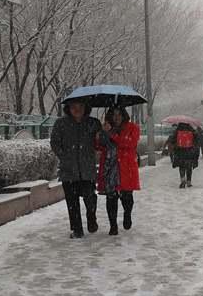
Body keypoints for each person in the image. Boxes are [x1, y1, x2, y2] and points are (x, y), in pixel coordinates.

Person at [50, 99, 101, 238]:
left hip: (87, 169)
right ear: (68, 108)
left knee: (90, 197)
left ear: (86, 107)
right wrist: (64, 156)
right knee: (72, 201)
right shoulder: (61, 124)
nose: (77, 110)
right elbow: (54, 142)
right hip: (68, 170)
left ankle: (91, 218)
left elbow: (100, 143)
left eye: (80, 106)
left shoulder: (93, 123)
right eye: (73, 107)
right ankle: (77, 229)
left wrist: (100, 136)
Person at [95, 106, 141, 235]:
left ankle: (127, 214)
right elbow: (99, 146)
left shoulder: (133, 128)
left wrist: (112, 134)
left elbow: (130, 143)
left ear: (124, 115)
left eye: (119, 114)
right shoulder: (106, 128)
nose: (116, 117)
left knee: (127, 196)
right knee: (111, 197)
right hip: (110, 166)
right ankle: (113, 225)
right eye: (114, 115)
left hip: (126, 167)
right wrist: (99, 137)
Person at [166, 122, 200, 188]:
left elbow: (172, 140)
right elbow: (197, 140)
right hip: (190, 152)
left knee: (181, 167)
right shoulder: (191, 130)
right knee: (189, 167)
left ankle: (182, 180)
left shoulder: (177, 130)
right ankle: (189, 182)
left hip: (180, 152)